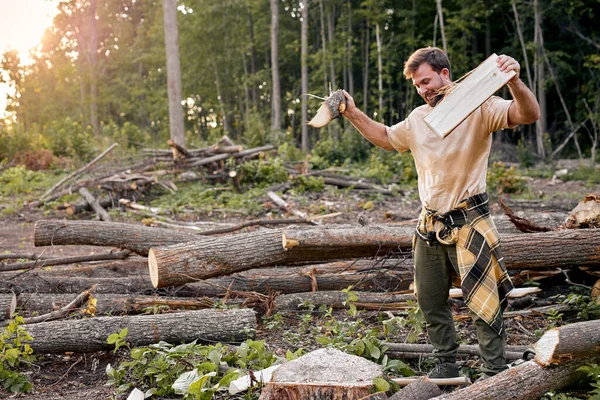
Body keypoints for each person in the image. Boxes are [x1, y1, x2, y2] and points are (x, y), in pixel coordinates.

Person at [341, 47, 540, 379]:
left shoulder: (481, 108)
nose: (423, 89)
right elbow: (386, 137)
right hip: (429, 225)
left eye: (427, 81)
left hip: (470, 223)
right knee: (431, 302)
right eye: (418, 85)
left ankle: (494, 370)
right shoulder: (419, 118)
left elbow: (528, 114)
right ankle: (446, 364)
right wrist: (351, 112)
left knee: (483, 304)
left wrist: (514, 81)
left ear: (445, 74)